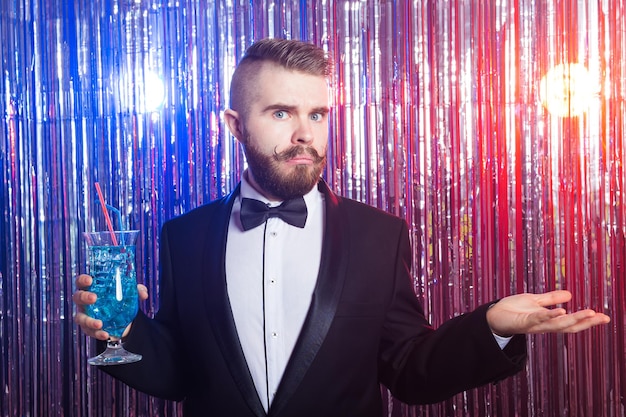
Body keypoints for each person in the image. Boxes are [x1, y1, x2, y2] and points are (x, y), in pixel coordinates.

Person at [73, 38, 610, 417]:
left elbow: (408, 371)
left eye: (319, 114)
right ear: (235, 126)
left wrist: (491, 326)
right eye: (281, 113)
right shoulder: (183, 237)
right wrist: (119, 332)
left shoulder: (380, 236)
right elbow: (181, 375)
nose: (305, 133)